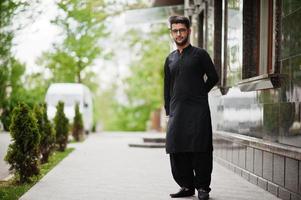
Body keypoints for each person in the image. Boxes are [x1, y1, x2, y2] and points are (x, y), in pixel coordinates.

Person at [163, 15, 219, 200]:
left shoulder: (200, 54)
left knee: (200, 148)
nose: (178, 34)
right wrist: (168, 110)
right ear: (171, 32)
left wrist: (199, 93)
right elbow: (167, 86)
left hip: (198, 110)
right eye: (175, 30)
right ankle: (186, 185)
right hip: (177, 111)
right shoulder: (170, 59)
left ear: (189, 31)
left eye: (182, 30)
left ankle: (202, 187)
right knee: (177, 148)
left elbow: (213, 77)